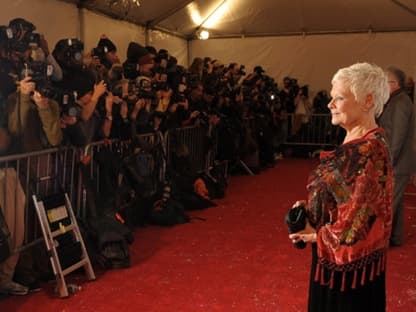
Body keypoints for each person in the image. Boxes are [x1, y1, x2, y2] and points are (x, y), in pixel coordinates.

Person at [288, 62, 393, 311]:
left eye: (340, 97)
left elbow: (361, 214)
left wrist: (317, 236)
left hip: (346, 273)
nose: (330, 104)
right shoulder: (359, 142)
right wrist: (312, 206)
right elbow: (348, 195)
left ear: (367, 101)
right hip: (339, 264)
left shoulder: (368, 150)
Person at [377, 66, 416, 246]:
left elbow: (398, 136)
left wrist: (388, 161)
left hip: (397, 163)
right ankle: (395, 237)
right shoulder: (398, 101)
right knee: (396, 203)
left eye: (385, 81)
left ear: (395, 84)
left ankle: (381, 240)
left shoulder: (400, 103)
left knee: (389, 203)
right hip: (398, 161)